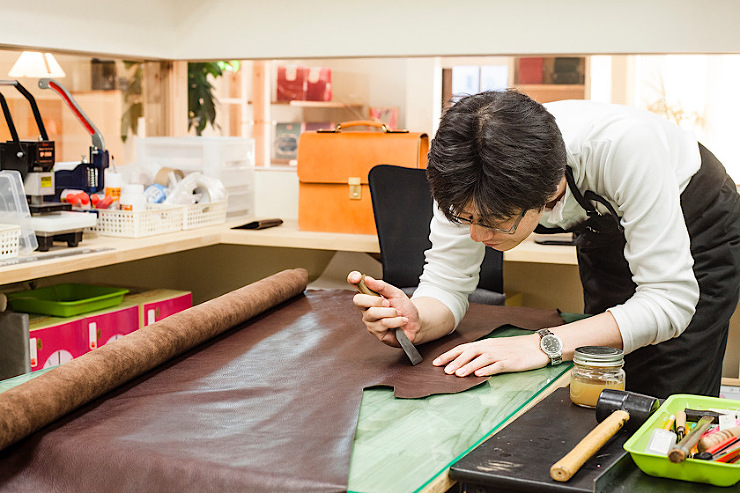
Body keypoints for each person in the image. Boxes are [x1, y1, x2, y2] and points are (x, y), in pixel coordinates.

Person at [349, 89, 740, 399]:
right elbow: (447, 283)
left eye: (493, 223)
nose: (476, 237)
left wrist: (542, 345)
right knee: (602, 374)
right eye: (465, 219)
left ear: (552, 191)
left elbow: (669, 301)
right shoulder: (465, 173)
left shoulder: (625, 148)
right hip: (603, 222)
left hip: (696, 217)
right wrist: (418, 318)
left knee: (665, 388)